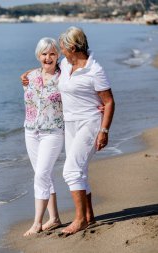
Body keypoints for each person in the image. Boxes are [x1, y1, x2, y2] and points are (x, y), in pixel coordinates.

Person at [57, 26, 115, 234]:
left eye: (63, 47)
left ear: (72, 47)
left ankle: (79, 219)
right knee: (79, 170)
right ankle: (89, 216)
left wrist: (104, 131)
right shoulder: (65, 64)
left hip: (89, 123)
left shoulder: (95, 70)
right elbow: (47, 68)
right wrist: (28, 75)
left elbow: (108, 102)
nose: (61, 50)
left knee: (71, 171)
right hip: (70, 123)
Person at [21, 37, 64, 236]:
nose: (48, 57)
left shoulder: (64, 77)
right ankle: (54, 218)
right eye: (44, 53)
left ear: (58, 55)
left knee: (41, 175)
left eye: (52, 53)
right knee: (42, 173)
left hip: (53, 132)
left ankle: (37, 222)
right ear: (38, 56)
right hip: (31, 131)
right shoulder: (30, 76)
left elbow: (78, 94)